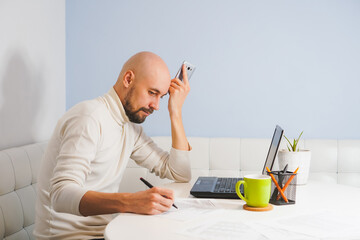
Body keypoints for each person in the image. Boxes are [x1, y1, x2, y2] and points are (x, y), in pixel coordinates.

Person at [34, 51, 192, 239]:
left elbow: (179, 173)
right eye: (152, 93)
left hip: (106, 234)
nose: (156, 105)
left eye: (162, 97)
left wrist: (175, 112)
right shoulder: (89, 117)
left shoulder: (129, 127)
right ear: (128, 79)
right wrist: (131, 201)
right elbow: (60, 195)